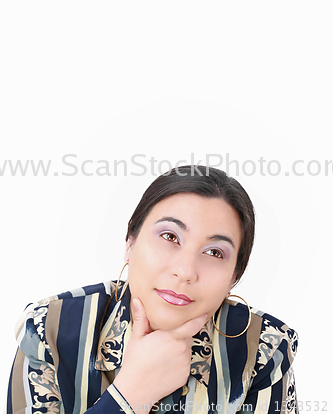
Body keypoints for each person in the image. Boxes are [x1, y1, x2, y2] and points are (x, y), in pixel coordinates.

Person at [6, 165, 298, 414]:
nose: (185, 271)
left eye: (214, 253)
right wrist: (131, 394)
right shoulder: (48, 330)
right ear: (130, 241)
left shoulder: (263, 350)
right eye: (170, 236)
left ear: (234, 276)